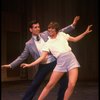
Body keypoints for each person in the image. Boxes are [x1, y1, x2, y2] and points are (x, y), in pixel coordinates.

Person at [2, 16, 80, 100]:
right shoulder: (29, 44)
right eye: (35, 27)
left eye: (38, 27)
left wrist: (73, 25)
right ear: (30, 29)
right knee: (34, 84)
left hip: (55, 62)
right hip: (43, 65)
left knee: (64, 83)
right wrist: (11, 65)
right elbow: (22, 57)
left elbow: (61, 31)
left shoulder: (46, 33)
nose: (38, 29)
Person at [21, 22, 92, 100]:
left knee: (72, 84)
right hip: (61, 62)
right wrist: (30, 64)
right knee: (50, 85)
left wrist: (85, 32)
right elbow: (41, 58)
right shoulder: (47, 43)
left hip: (72, 59)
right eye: (49, 29)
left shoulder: (61, 35)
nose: (50, 30)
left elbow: (75, 39)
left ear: (56, 30)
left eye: (52, 29)